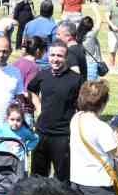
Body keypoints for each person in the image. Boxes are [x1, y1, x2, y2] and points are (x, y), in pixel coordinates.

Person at [28, 40, 83, 182]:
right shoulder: (43, 75)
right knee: (37, 178)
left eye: (59, 56)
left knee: (63, 179)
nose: (55, 59)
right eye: (52, 55)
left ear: (66, 58)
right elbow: (31, 89)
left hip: (63, 135)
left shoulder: (76, 80)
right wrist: (39, 108)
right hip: (42, 133)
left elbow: (82, 106)